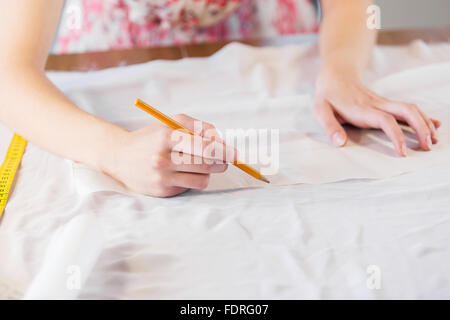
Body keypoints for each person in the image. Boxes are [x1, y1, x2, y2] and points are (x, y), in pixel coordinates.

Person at [0, 0, 440, 197]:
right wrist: (115, 151)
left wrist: (342, 73)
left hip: (278, 49)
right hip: (112, 59)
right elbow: (8, 73)